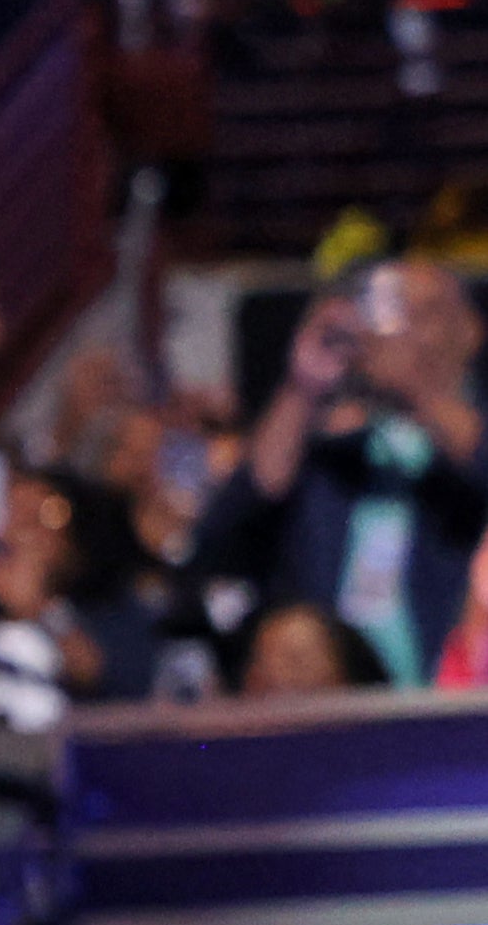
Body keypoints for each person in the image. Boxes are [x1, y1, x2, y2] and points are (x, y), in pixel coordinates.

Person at [194, 258, 484, 692]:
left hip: (447, 698)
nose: (398, 331)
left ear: (470, 332)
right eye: (386, 311)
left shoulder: (463, 448)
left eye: (422, 314)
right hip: (326, 702)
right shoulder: (335, 454)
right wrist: (303, 386)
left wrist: (418, 391)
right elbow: (233, 523)